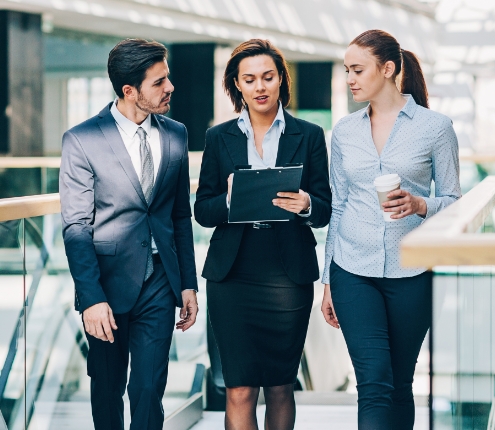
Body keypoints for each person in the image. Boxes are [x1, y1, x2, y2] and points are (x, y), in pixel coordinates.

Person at [321, 30, 461, 430]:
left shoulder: (435, 128)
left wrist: (420, 205)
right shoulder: (344, 131)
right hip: (353, 270)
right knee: (374, 383)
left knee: (400, 383)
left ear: (388, 69)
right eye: (347, 69)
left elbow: (453, 201)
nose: (350, 78)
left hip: (412, 273)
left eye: (358, 69)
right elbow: (340, 205)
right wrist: (329, 278)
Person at [59, 39, 199, 430]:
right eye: (159, 82)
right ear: (129, 91)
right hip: (106, 285)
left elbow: (179, 215)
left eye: (167, 78)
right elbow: (76, 227)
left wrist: (187, 283)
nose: (170, 87)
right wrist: (91, 299)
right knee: (107, 389)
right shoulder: (82, 140)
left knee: (149, 387)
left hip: (159, 281)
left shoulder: (176, 134)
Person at [195, 39, 331, 430]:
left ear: (280, 80)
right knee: (238, 389)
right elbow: (202, 209)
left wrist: (306, 203)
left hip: (287, 272)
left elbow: (324, 208)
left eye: (268, 77)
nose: (260, 87)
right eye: (249, 79)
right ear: (236, 85)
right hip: (233, 273)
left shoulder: (308, 134)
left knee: (279, 386)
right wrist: (229, 201)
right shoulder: (219, 137)